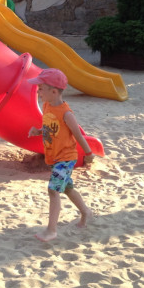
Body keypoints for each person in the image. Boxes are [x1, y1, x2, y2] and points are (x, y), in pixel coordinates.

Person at [27, 68, 94, 242]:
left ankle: (51, 230)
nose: (38, 91)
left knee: (53, 190)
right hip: (54, 157)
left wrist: (89, 154)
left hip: (66, 158)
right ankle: (86, 212)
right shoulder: (47, 106)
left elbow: (79, 135)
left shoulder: (66, 114)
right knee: (67, 188)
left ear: (54, 92)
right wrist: (38, 131)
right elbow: (50, 128)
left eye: (41, 88)